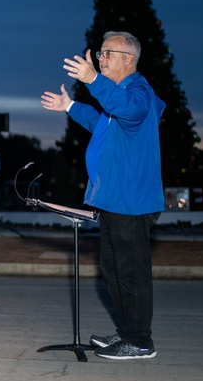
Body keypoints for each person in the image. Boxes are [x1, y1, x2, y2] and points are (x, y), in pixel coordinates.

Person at [41, 30, 165, 360]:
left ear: (130, 60)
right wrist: (70, 106)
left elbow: (128, 110)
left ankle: (140, 342)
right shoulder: (118, 98)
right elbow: (102, 122)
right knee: (113, 271)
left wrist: (94, 79)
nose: (101, 58)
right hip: (113, 200)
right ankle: (126, 334)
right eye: (100, 53)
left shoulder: (138, 93)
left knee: (131, 274)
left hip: (131, 202)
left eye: (108, 53)